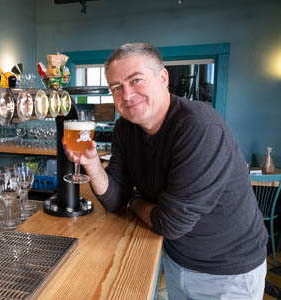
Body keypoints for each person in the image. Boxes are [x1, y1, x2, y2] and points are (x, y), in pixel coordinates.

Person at [63, 43, 268, 299]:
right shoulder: (126, 129)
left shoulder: (199, 127)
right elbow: (115, 200)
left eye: (136, 80)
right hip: (176, 259)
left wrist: (135, 202)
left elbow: (170, 223)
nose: (126, 95)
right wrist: (92, 164)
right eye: (116, 87)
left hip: (228, 270)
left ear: (163, 78)